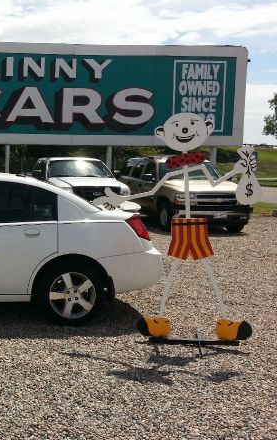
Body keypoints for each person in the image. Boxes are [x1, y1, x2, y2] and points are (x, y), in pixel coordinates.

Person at [92, 112, 261, 341]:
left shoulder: (200, 164)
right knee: (174, 272)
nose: (184, 130)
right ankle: (160, 320)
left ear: (206, 130)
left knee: (207, 271)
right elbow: (152, 191)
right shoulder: (171, 169)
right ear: (163, 134)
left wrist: (237, 171)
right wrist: (119, 200)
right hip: (182, 227)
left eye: (191, 125)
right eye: (177, 127)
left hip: (196, 227)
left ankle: (225, 321)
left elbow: (215, 182)